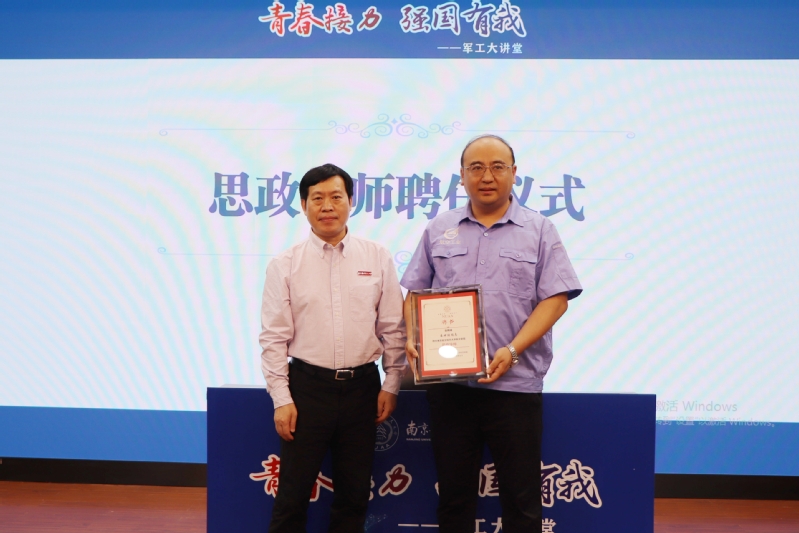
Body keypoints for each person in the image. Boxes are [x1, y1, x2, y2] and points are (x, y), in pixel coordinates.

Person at [400, 135, 582, 533]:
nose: (487, 176)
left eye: (498, 167)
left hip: (515, 387)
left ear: (514, 173)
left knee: (521, 501)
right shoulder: (439, 228)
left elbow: (556, 300)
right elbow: (415, 293)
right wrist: (413, 336)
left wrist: (513, 350)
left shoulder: (539, 229)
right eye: (476, 168)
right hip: (451, 387)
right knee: (454, 498)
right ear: (461, 175)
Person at [259, 163, 406, 532]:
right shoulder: (285, 264)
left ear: (351, 201)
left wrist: (391, 383)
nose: (327, 206)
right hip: (307, 390)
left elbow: (393, 326)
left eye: (336, 197)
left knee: (354, 496)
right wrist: (281, 397)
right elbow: (274, 337)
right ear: (304, 205)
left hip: (362, 389)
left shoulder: (377, 257)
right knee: (292, 496)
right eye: (317, 198)